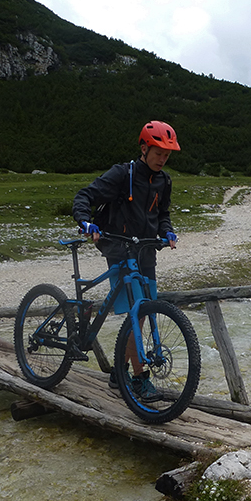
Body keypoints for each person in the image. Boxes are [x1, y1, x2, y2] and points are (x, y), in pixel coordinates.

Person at [72, 120, 180, 402]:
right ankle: (138, 378)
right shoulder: (123, 174)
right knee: (137, 312)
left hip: (145, 251)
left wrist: (166, 231)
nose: (162, 159)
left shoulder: (163, 181)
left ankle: (117, 372)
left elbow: (162, 214)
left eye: (167, 155)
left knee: (144, 312)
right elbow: (85, 195)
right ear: (144, 148)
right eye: (158, 153)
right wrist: (85, 222)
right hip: (119, 248)